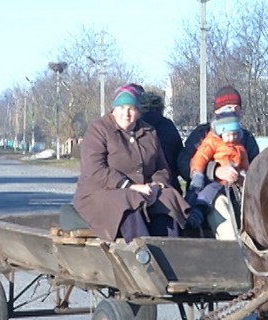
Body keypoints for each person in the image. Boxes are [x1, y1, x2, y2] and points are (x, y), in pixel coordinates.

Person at [73, 84, 189, 242]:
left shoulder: (149, 132)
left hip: (144, 191)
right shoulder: (98, 129)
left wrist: (157, 184)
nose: (126, 114)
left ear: (139, 111)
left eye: (131, 108)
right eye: (121, 107)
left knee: (168, 198)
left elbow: (161, 167)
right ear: (113, 109)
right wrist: (129, 185)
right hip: (101, 192)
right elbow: (95, 170)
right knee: (128, 202)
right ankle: (144, 255)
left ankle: (172, 251)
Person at [177, 85, 260, 239]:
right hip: (209, 191)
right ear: (217, 112)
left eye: (237, 108)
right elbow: (184, 163)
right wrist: (214, 171)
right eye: (228, 107)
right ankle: (231, 246)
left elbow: (256, 168)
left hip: (239, 191)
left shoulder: (246, 138)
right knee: (220, 206)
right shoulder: (203, 135)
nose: (233, 111)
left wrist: (244, 177)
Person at [186, 111, 248, 239]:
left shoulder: (240, 147)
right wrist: (198, 173)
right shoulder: (212, 142)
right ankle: (198, 212)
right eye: (228, 135)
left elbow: (246, 164)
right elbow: (200, 157)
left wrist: (244, 175)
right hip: (215, 182)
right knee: (208, 193)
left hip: (233, 185)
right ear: (220, 132)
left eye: (235, 134)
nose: (232, 138)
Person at [140, 90, 184, 194]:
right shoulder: (168, 126)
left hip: (141, 184)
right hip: (170, 182)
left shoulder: (137, 126)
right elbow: (179, 156)